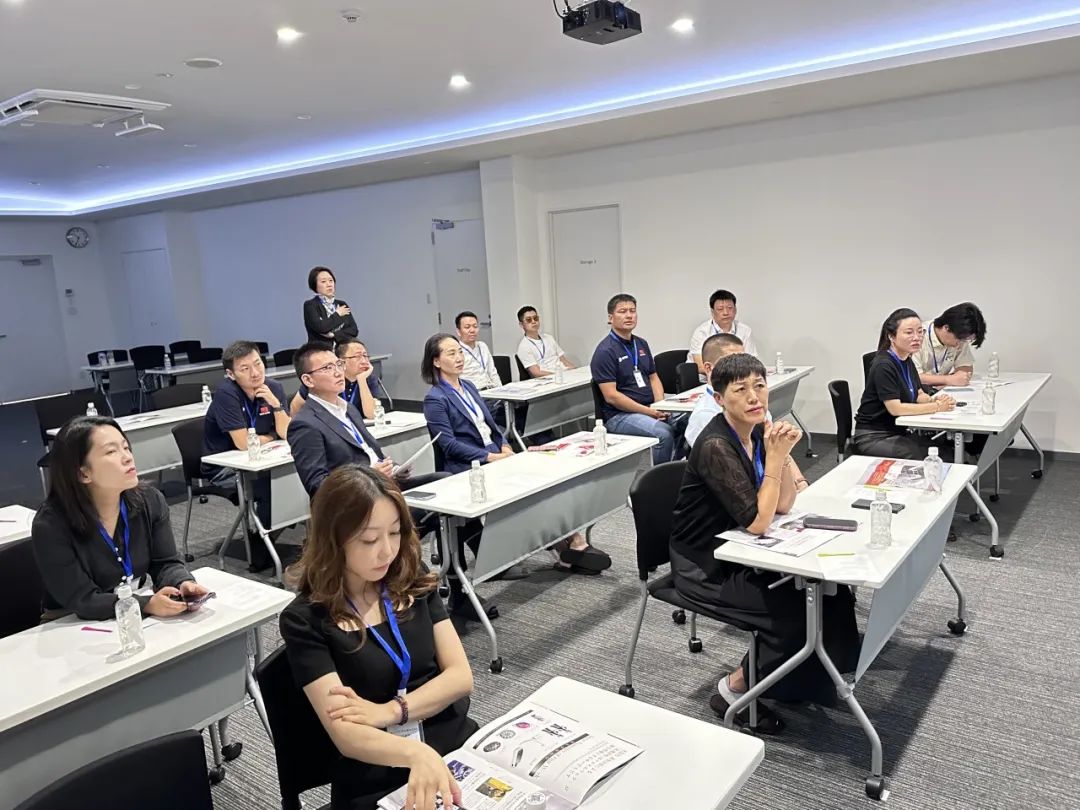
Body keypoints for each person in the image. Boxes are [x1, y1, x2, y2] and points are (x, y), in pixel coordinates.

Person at [669, 354, 859, 729]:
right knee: (796, 610)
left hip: (740, 549)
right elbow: (758, 522)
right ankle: (733, 689)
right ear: (719, 398)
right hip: (706, 564)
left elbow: (783, 504)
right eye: (741, 389)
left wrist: (782, 457)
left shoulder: (756, 430)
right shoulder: (716, 445)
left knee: (832, 592)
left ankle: (800, 683)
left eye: (759, 385)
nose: (754, 397)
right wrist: (775, 460)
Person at [280, 465, 477, 810]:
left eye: (395, 533)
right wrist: (416, 754)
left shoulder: (411, 578)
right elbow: (348, 736)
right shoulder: (306, 619)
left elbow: (460, 677)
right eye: (369, 540)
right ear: (333, 540)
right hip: (377, 772)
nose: (387, 551)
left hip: (452, 744)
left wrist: (388, 712)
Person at [423, 334, 609, 577]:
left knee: (545, 479)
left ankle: (567, 541)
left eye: (459, 352)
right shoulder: (435, 399)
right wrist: (490, 457)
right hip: (469, 466)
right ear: (436, 361)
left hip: (494, 455)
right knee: (528, 486)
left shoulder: (468, 386)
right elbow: (449, 445)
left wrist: (504, 445)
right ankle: (568, 542)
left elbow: (491, 426)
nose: (459, 357)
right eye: (451, 353)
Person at [31, 415, 209, 621]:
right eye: (111, 451)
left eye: (125, 447)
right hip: (71, 620)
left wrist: (182, 582)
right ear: (83, 474)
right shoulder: (51, 524)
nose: (127, 457)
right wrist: (145, 604)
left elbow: (165, 562)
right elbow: (82, 600)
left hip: (132, 609)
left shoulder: (149, 501)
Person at [287, 342, 443, 497]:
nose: (338, 372)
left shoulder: (349, 409)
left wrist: (395, 469)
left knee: (443, 480)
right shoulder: (305, 424)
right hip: (359, 500)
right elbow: (317, 486)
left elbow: (371, 454)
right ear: (308, 380)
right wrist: (369, 476)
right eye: (327, 368)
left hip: (384, 486)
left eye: (339, 364)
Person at [202, 340, 291, 570]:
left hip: (262, 459)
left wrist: (276, 405)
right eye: (245, 368)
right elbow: (243, 444)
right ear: (230, 374)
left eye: (258, 364)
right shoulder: (226, 394)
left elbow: (286, 433)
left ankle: (268, 534)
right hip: (223, 467)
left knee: (294, 476)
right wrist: (270, 436)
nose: (255, 373)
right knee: (271, 485)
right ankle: (262, 545)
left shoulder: (273, 388)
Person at [685, 334, 809, 488]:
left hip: (765, 488)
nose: (741, 365)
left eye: (743, 357)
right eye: (731, 360)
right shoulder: (706, 417)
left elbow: (776, 448)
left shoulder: (754, 408)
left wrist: (799, 481)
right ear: (709, 368)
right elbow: (737, 483)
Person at [590, 293, 686, 465]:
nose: (629, 315)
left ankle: (676, 467)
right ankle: (660, 477)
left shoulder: (641, 344)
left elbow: (653, 377)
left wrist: (660, 405)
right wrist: (650, 412)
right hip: (620, 415)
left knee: (688, 420)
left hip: (650, 407)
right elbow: (612, 396)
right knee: (663, 434)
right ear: (611, 318)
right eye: (622, 312)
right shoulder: (605, 351)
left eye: (632, 311)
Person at [853, 308, 957, 460]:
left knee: (946, 450)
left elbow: (919, 395)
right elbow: (896, 408)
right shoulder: (884, 365)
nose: (917, 338)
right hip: (873, 436)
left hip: (898, 431)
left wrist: (936, 400)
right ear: (891, 336)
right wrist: (937, 407)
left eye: (920, 332)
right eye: (909, 332)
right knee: (934, 456)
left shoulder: (907, 360)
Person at [290, 337, 385, 419]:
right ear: (342, 360)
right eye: (357, 356)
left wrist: (362, 380)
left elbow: (372, 414)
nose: (364, 361)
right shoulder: (323, 381)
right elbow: (295, 407)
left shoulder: (368, 378)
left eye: (365, 356)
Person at [913, 302, 987, 389]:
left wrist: (961, 375)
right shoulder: (917, 336)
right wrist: (949, 379)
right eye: (960, 339)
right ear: (946, 328)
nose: (961, 344)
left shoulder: (960, 337)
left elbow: (966, 366)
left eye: (966, 340)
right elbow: (914, 377)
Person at [688, 290, 759, 375]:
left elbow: (752, 361)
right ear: (712, 312)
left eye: (730, 308)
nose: (725, 313)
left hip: (737, 376)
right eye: (720, 309)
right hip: (705, 379)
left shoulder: (745, 330)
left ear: (735, 310)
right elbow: (700, 366)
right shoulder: (702, 332)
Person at [304, 266, 360, 347]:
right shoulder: (310, 305)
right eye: (323, 281)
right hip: (320, 350)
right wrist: (337, 314)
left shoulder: (341, 304)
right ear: (315, 285)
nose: (329, 284)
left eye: (331, 280)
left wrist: (334, 335)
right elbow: (321, 328)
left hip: (341, 349)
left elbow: (354, 330)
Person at [515, 306, 574, 378]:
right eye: (529, 320)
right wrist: (558, 375)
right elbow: (536, 373)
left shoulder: (549, 338)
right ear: (521, 325)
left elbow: (564, 361)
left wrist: (575, 371)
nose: (533, 322)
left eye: (535, 318)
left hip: (564, 374)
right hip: (549, 378)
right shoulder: (523, 346)